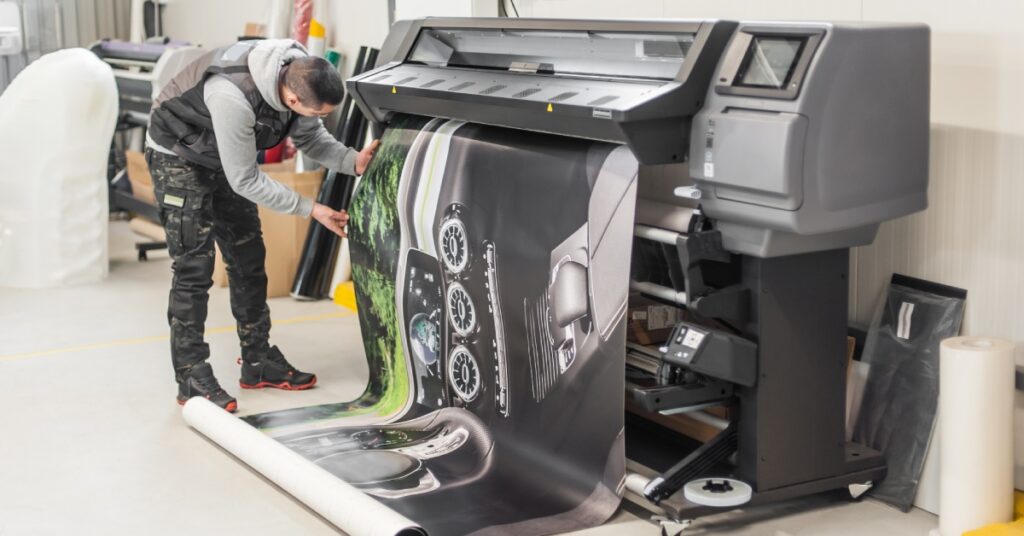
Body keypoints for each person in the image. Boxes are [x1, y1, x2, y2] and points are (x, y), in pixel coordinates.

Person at [145, 38, 379, 413]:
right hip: (179, 156)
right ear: (292, 101)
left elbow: (312, 138)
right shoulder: (232, 97)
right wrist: (311, 208)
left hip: (223, 158)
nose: (319, 118)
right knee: (194, 268)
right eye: (317, 112)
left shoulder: (302, 73)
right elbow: (246, 181)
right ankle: (191, 375)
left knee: (249, 258)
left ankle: (258, 361)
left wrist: (354, 161)